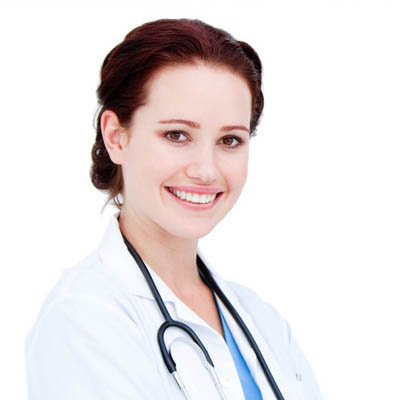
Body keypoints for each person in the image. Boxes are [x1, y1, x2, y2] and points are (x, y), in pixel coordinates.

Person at [25, 18, 324, 400]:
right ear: (116, 137)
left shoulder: (263, 323)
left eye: (230, 140)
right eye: (177, 135)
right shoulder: (83, 320)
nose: (206, 170)